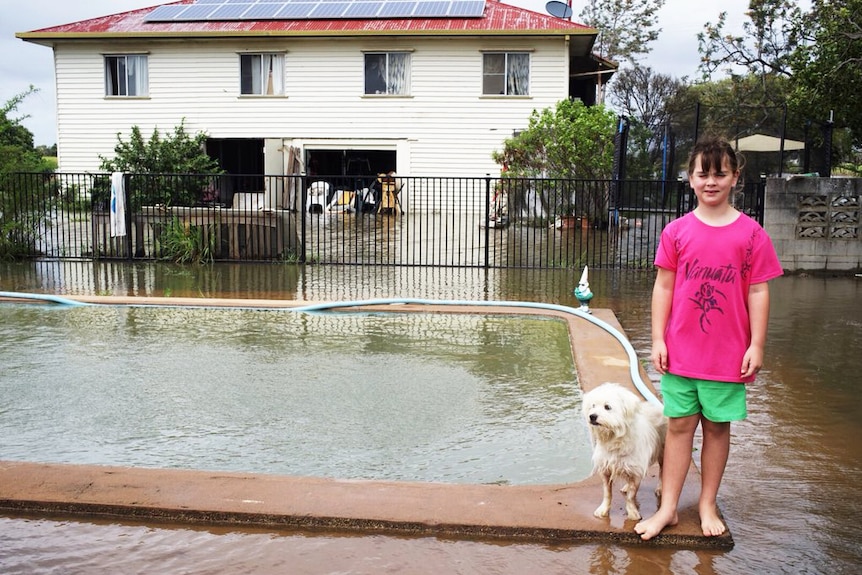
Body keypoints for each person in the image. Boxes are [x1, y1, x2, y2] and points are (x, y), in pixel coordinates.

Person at [634, 136, 783, 540]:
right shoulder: (677, 231)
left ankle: (706, 502)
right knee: (680, 426)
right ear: (690, 178)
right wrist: (658, 339)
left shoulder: (752, 235)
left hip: (728, 356)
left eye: (720, 173)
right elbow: (663, 287)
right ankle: (667, 508)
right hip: (681, 352)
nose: (711, 181)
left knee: (717, 429)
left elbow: (758, 290)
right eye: (703, 173)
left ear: (736, 176)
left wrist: (756, 344)